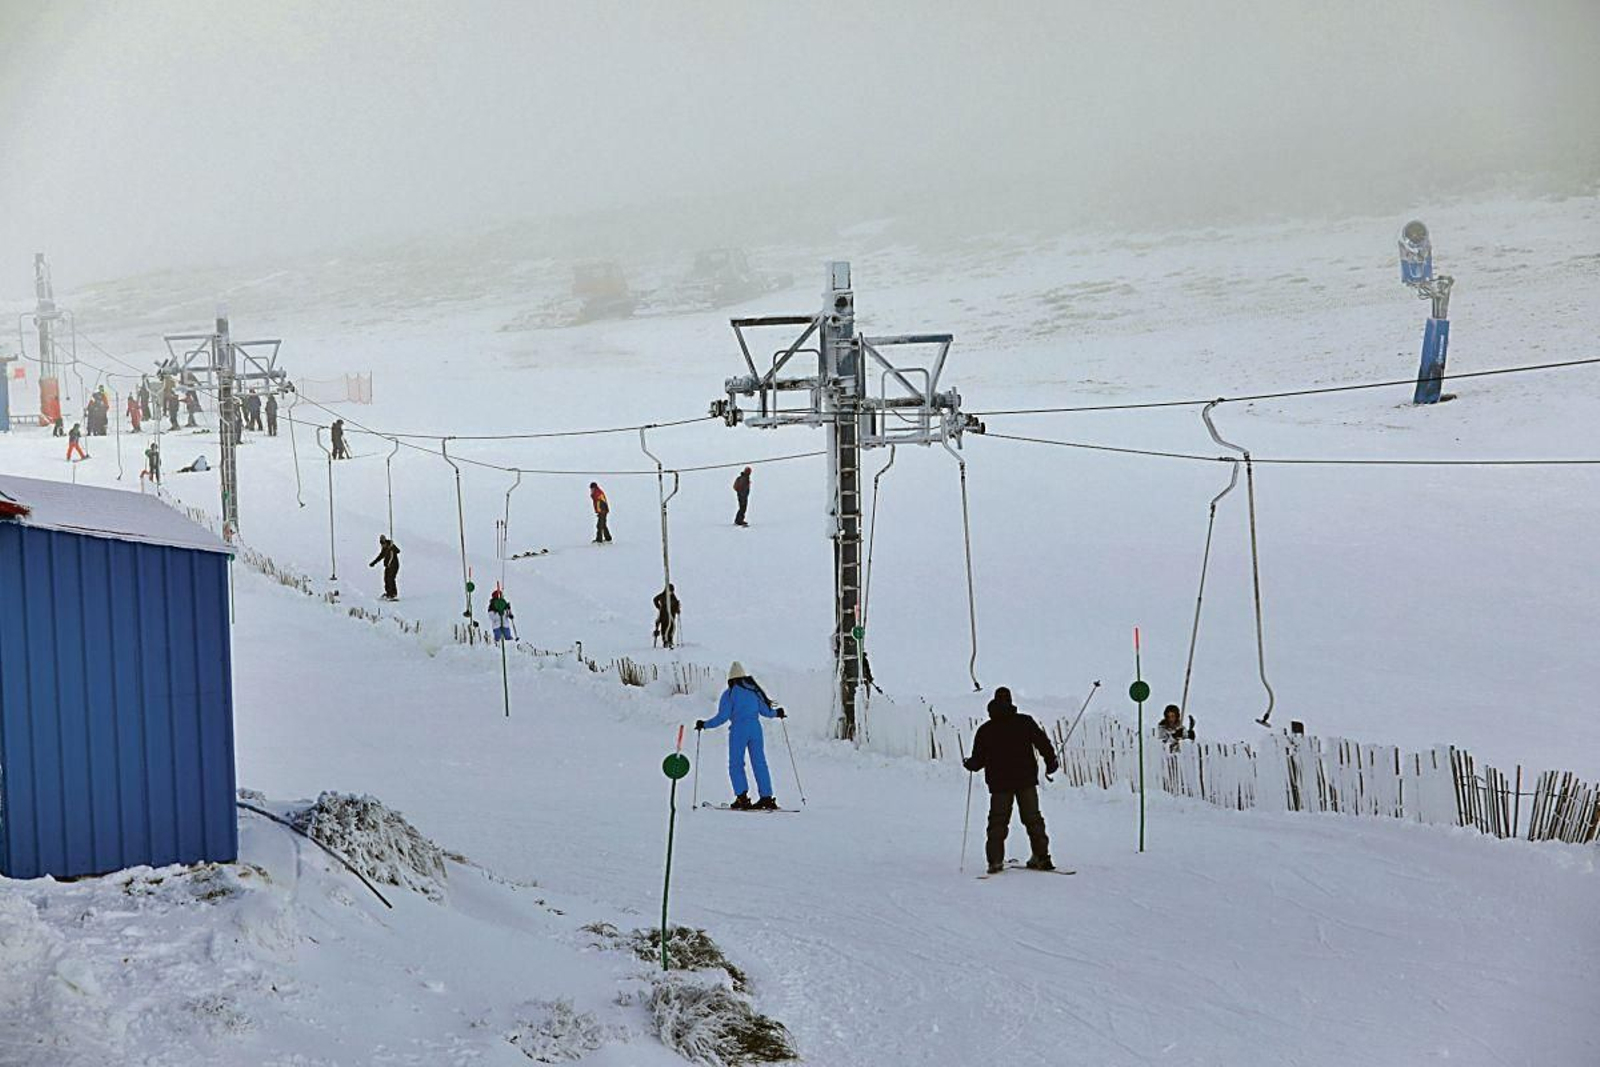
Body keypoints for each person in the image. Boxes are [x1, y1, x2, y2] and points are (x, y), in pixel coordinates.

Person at [963, 686, 1058, 874]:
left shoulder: (986, 730)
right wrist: (1051, 761)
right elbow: (1042, 742)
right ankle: (1042, 857)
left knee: (998, 822)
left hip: (1000, 783)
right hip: (1026, 780)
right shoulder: (1025, 722)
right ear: (1010, 701)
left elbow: (978, 760)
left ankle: (995, 861)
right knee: (1033, 819)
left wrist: (969, 764)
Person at [696, 662, 785, 810]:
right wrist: (778, 713)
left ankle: (742, 798)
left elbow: (722, 717)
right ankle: (767, 798)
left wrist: (704, 724)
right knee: (759, 763)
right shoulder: (754, 691)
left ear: (730, 679)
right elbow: (766, 712)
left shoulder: (729, 694)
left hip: (739, 731)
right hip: (756, 730)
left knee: (736, 764)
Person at [369, 534, 400, 600]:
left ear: (385, 541)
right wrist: (373, 563)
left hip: (394, 565)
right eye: (381, 543)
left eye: (383, 542)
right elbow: (380, 556)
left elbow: (398, 551)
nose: (382, 544)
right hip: (388, 566)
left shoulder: (391, 546)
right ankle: (388, 593)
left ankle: (392, 594)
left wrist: (392, 547)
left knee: (390, 579)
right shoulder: (384, 549)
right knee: (386, 578)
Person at [652, 583, 681, 648]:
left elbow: (676, 605)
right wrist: (658, 607)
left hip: (671, 616)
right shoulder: (662, 595)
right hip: (663, 615)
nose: (671, 592)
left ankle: (670, 640)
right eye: (670, 590)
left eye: (672, 591)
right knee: (664, 628)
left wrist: (677, 609)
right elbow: (655, 599)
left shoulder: (673, 597)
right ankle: (665, 641)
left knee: (671, 628)